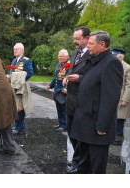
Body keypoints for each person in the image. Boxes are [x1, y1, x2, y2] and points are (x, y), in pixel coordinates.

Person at [70, 30, 123, 173]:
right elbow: (93, 81)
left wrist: (102, 126)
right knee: (84, 166)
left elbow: (110, 97)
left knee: (96, 168)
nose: (88, 47)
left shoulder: (112, 63)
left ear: (102, 44)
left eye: (91, 44)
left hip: (96, 127)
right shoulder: (93, 59)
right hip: (85, 123)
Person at [64, 26, 91, 173]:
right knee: (71, 133)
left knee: (81, 135)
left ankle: (80, 164)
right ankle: (76, 160)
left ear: (87, 38)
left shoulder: (92, 55)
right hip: (71, 101)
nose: (75, 41)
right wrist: (67, 76)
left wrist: (80, 78)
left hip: (82, 102)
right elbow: (72, 69)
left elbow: (95, 76)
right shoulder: (76, 52)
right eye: (74, 38)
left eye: (78, 39)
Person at [7, 43, 33, 134]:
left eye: (16, 49)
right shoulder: (14, 61)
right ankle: (18, 125)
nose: (14, 51)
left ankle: (19, 126)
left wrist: (19, 80)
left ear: (22, 50)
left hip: (22, 87)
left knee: (20, 107)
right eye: (14, 49)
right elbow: (11, 72)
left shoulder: (27, 60)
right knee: (15, 106)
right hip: (14, 87)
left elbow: (30, 73)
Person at [111, 48, 130, 145]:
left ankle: (119, 136)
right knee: (112, 117)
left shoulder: (129, 68)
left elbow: (129, 86)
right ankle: (112, 135)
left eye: (114, 56)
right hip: (112, 96)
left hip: (121, 97)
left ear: (120, 57)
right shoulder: (112, 66)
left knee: (119, 118)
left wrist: (125, 99)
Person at [46, 49, 70, 132]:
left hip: (63, 91)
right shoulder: (59, 65)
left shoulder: (69, 65)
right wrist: (50, 85)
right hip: (57, 90)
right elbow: (56, 78)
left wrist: (66, 88)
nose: (59, 58)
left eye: (61, 56)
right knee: (58, 108)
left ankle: (64, 125)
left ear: (66, 56)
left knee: (64, 109)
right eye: (59, 56)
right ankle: (60, 123)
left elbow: (69, 78)